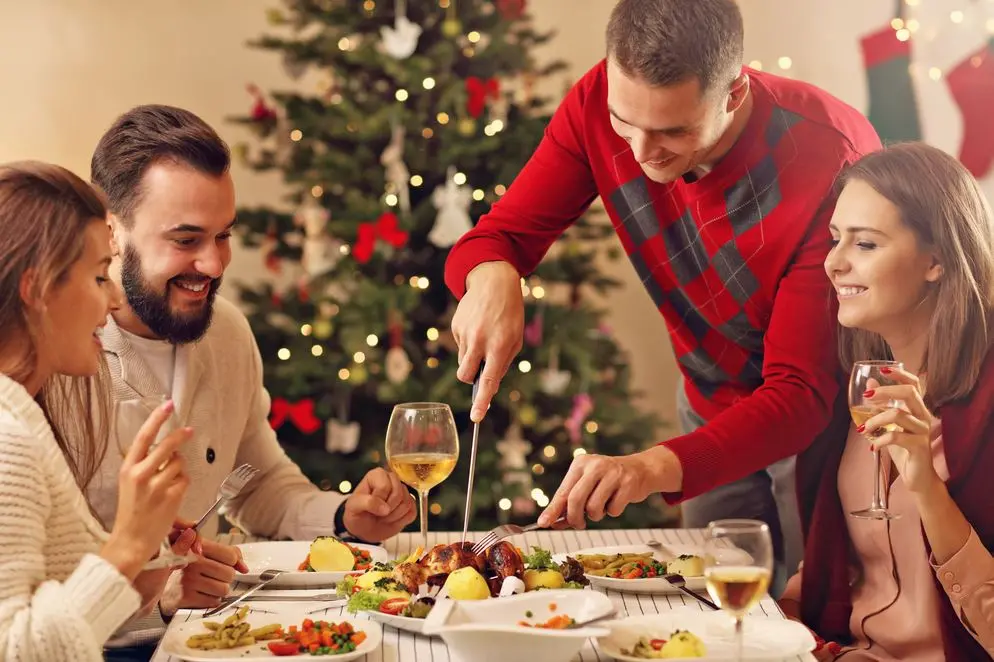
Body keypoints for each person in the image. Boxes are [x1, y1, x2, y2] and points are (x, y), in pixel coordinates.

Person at [443, 0, 881, 590]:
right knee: (712, 605)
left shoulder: (832, 160)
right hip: (705, 399)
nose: (642, 152)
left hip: (824, 422)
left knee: (819, 618)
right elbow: (500, 235)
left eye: (674, 130)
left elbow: (800, 392)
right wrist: (492, 272)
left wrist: (652, 466)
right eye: (627, 123)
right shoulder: (600, 102)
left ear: (733, 92)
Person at [83, 104, 417, 645]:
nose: (215, 265)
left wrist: (346, 518)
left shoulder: (227, 331)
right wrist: (156, 595)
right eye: (187, 240)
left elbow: (258, 483)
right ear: (111, 231)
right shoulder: (59, 354)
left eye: (223, 235)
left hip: (212, 639)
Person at [783, 143, 994, 661]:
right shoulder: (855, 391)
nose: (834, 263)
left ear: (936, 260)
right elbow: (840, 566)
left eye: (866, 244)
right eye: (836, 239)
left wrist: (924, 482)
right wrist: (773, 622)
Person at [0, 161, 195, 662]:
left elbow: (55, 602)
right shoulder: (7, 440)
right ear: (37, 290)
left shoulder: (21, 412)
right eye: (98, 276)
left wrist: (145, 551)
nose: (112, 299)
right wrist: (126, 545)